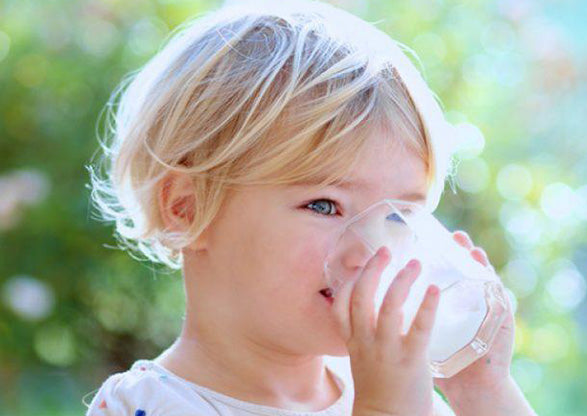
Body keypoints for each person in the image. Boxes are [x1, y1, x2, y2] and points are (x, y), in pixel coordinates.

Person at [84, 0, 537, 415]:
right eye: (325, 205)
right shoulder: (146, 405)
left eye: (399, 216)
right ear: (185, 209)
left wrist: (481, 391)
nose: (372, 250)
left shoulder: (385, 385)